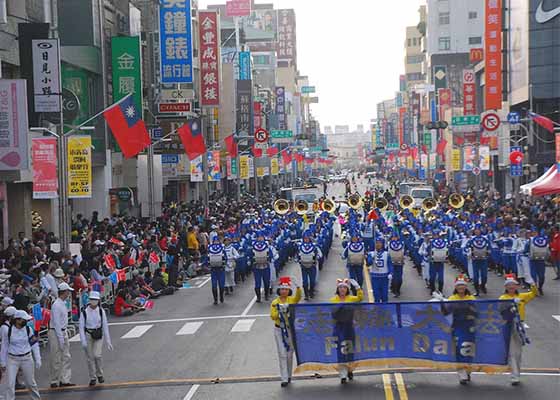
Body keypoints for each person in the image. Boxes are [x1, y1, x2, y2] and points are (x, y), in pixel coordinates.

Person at [499, 274, 538, 386]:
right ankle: (514, 376)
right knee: (512, 352)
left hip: (519, 326)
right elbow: (499, 311)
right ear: (505, 287)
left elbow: (534, 294)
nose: (511, 286)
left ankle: (517, 373)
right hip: (508, 325)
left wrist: (532, 284)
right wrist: (510, 305)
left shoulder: (522, 296)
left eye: (513, 284)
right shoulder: (502, 298)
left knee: (518, 353)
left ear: (516, 286)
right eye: (509, 285)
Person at [0, 310, 41, 400]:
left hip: (27, 358)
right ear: (17, 320)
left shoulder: (28, 329)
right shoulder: (8, 331)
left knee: (31, 383)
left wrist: (38, 359)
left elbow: (34, 344)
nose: (26, 321)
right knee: (10, 384)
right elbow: (4, 346)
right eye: (24, 319)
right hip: (12, 359)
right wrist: (2, 362)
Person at [270, 277, 302, 388]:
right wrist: (280, 313)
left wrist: (298, 287)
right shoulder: (275, 302)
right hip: (279, 330)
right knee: (282, 354)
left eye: (286, 289)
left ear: (289, 291)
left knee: (289, 354)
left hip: (290, 330)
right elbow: (272, 316)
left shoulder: (291, 301)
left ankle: (289, 376)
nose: (284, 291)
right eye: (282, 289)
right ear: (279, 290)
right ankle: (283, 378)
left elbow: (298, 298)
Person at [329, 278, 363, 384]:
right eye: (340, 288)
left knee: (350, 349)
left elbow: (360, 298)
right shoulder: (333, 300)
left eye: (344, 287)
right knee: (341, 350)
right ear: (337, 289)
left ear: (347, 289)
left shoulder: (351, 299)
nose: (342, 289)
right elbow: (332, 312)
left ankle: (350, 369)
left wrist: (358, 288)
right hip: (338, 327)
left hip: (349, 326)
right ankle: (342, 374)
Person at [445, 275, 476, 385]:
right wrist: (441, 303)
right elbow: (446, 313)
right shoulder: (452, 299)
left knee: (469, 350)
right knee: (459, 349)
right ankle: (462, 374)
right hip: (457, 327)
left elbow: (477, 312)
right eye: (459, 286)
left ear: (466, 287)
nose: (461, 287)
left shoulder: (471, 298)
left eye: (463, 285)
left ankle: (468, 370)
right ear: (456, 287)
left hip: (470, 328)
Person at [78, 291, 113, 386]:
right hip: (89, 335)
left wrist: (108, 340)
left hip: (98, 335)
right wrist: (83, 341)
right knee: (90, 358)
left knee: (97, 355)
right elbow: (81, 327)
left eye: (95, 300)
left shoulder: (101, 311)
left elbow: (105, 326)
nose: (93, 301)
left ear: (98, 301)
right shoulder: (84, 312)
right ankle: (92, 377)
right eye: (92, 299)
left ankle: (100, 374)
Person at [49, 282, 75, 388]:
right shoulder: (56, 305)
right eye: (68, 291)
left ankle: (65, 379)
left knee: (66, 356)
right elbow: (56, 323)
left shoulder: (62, 303)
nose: (69, 293)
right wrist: (61, 338)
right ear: (64, 292)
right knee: (56, 357)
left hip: (62, 331)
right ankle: (54, 380)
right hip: (56, 332)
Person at [366, 237, 393, 303]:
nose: (378, 244)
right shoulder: (371, 253)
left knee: (384, 296)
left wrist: (390, 273)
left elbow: (390, 264)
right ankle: (378, 310)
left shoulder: (387, 254)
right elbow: (368, 264)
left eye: (380, 243)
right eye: (377, 243)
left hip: (384, 277)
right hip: (375, 277)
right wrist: (371, 258)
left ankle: (385, 310)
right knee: (376, 295)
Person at [297, 233, 322, 300]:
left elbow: (320, 255)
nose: (306, 240)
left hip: (312, 266)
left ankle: (311, 292)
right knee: (305, 282)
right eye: (305, 238)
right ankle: (306, 295)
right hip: (303, 266)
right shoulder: (300, 246)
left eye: (307, 238)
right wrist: (299, 260)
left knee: (312, 281)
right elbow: (298, 255)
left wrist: (316, 259)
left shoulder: (314, 246)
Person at [467, 227, 490, 296]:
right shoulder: (471, 239)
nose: (477, 231)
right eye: (476, 230)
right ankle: (477, 290)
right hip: (475, 260)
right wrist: (470, 254)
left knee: (484, 275)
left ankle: (483, 286)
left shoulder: (485, 239)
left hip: (484, 259)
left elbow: (489, 247)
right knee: (476, 276)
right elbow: (467, 247)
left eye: (478, 230)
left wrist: (487, 254)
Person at [527, 230, 550, 295]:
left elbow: (525, 249)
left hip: (536, 260)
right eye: (533, 232)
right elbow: (548, 250)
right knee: (534, 276)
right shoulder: (544, 240)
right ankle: (536, 289)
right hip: (537, 260)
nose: (534, 233)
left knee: (541, 276)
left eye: (535, 232)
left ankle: (539, 287)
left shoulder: (531, 240)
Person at [427, 230, 448, 295]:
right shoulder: (431, 242)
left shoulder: (444, 242)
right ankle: (433, 290)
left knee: (441, 278)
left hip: (440, 262)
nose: (436, 236)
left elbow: (446, 250)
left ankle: (440, 290)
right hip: (433, 263)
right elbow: (428, 250)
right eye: (434, 235)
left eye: (437, 235)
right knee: (432, 278)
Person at [208, 237, 226, 305]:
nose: (216, 242)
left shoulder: (222, 247)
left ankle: (221, 296)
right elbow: (208, 257)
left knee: (221, 285)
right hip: (213, 270)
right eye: (214, 241)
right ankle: (215, 299)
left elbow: (225, 257)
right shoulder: (210, 248)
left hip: (221, 269)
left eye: (217, 241)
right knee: (214, 285)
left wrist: (225, 263)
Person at [388, 232, 405, 298]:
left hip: (399, 263)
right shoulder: (388, 244)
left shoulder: (402, 244)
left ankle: (398, 289)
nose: (394, 238)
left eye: (395, 237)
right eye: (393, 237)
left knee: (399, 278)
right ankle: (395, 290)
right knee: (394, 277)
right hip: (391, 263)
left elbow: (404, 253)